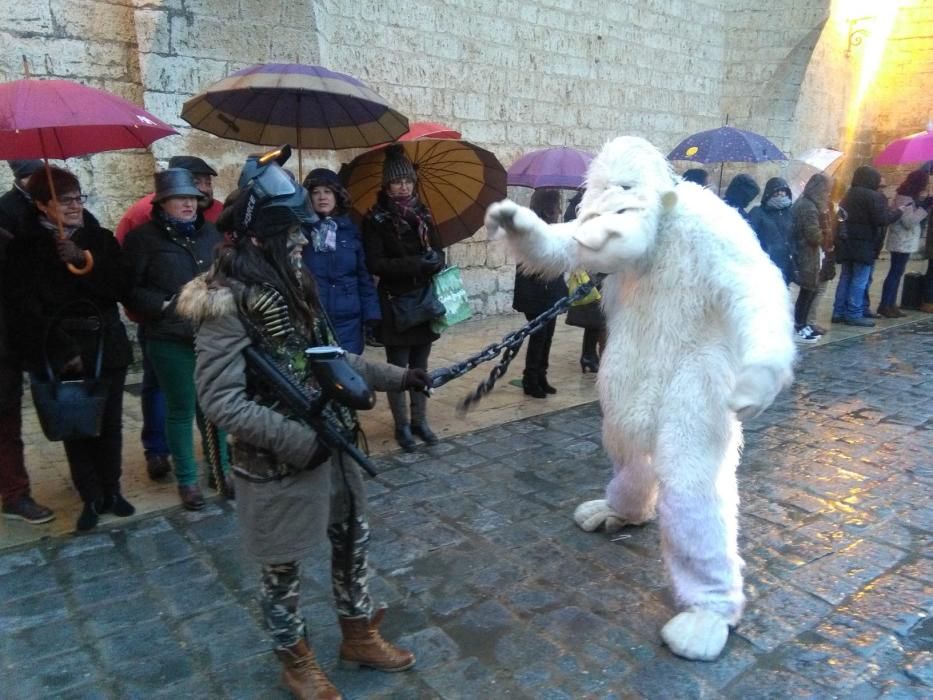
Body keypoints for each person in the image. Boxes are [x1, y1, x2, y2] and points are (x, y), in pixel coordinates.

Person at [177, 155, 422, 699]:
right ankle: (296, 662)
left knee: (351, 543)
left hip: (331, 443)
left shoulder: (296, 285)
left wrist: (403, 376)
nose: (303, 244)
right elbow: (220, 400)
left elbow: (331, 359)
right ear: (262, 237)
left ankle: (357, 635)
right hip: (278, 461)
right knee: (281, 569)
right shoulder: (226, 301)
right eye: (292, 235)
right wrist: (298, 441)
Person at [4, 167, 134, 531]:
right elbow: (24, 307)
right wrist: (63, 352)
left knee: (109, 423)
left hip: (106, 344)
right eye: (65, 201)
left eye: (79, 198)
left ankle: (112, 489)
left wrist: (81, 259)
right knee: (77, 427)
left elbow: (120, 286)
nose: (76, 206)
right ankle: (89, 495)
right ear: (44, 206)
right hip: (64, 349)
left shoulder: (99, 238)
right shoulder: (26, 248)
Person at [122, 168, 231, 510]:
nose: (188, 204)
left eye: (192, 198)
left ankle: (221, 471)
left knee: (213, 406)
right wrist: (163, 304)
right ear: (162, 203)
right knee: (182, 408)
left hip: (210, 335)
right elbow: (128, 289)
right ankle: (187, 480)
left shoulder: (212, 234)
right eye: (179, 199)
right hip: (169, 337)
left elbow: (227, 274)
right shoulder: (143, 239)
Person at [362, 145, 445, 451]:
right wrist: (414, 264)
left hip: (423, 301)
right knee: (397, 371)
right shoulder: (375, 219)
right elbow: (375, 263)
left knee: (420, 364)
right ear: (386, 185)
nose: (403, 186)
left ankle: (420, 421)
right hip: (395, 303)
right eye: (397, 182)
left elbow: (439, 249)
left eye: (408, 181)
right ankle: (402, 427)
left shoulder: (423, 214)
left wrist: (436, 260)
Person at [0, 226, 55, 524]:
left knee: (6, 431)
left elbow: (21, 301)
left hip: (2, 353)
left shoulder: (6, 244)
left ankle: (15, 494)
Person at [301, 168, 380, 354]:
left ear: (337, 196)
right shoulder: (301, 234)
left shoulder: (350, 232)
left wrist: (372, 314)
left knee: (348, 374)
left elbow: (363, 277)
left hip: (348, 321)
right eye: (316, 192)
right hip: (314, 319)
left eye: (327, 192)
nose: (322, 197)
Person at [512, 189, 569, 397]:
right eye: (556, 206)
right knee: (539, 336)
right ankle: (530, 379)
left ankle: (541, 376)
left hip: (550, 293)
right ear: (546, 209)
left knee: (548, 337)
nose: (559, 211)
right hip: (535, 295)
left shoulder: (550, 230)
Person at [832, 165, 905, 327]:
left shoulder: (849, 194)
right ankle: (854, 313)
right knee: (859, 279)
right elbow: (882, 219)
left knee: (845, 277)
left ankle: (838, 311)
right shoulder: (873, 196)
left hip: (847, 242)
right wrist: (898, 212)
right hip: (864, 244)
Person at [115, 155, 223, 238]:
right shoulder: (142, 212)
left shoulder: (220, 210)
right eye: (195, 182)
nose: (204, 189)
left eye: (208, 183)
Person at [564, 189, 606, 372]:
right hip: (592, 269)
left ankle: (589, 355)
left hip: (592, 267)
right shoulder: (585, 214)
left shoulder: (574, 209)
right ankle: (589, 356)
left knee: (595, 316)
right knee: (596, 315)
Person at [878, 169, 929, 317]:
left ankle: (891, 304)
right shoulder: (905, 198)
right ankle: (885, 304)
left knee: (897, 272)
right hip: (901, 241)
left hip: (903, 241)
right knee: (895, 272)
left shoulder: (908, 197)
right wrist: (923, 208)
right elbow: (909, 222)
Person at [790, 173, 832, 343]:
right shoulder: (808, 207)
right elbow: (813, 235)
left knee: (810, 290)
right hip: (806, 253)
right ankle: (799, 326)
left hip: (808, 253)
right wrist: (826, 231)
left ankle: (803, 324)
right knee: (807, 290)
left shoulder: (807, 203)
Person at [748, 177, 795, 285]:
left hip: (786, 263)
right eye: (776, 190)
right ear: (769, 192)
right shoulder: (757, 212)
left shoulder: (790, 212)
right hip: (765, 263)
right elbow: (749, 236)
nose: (780, 193)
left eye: (783, 190)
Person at [0, 160, 45, 237]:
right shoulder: (4, 205)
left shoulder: (50, 195)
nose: (42, 181)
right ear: (22, 180)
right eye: (36, 177)